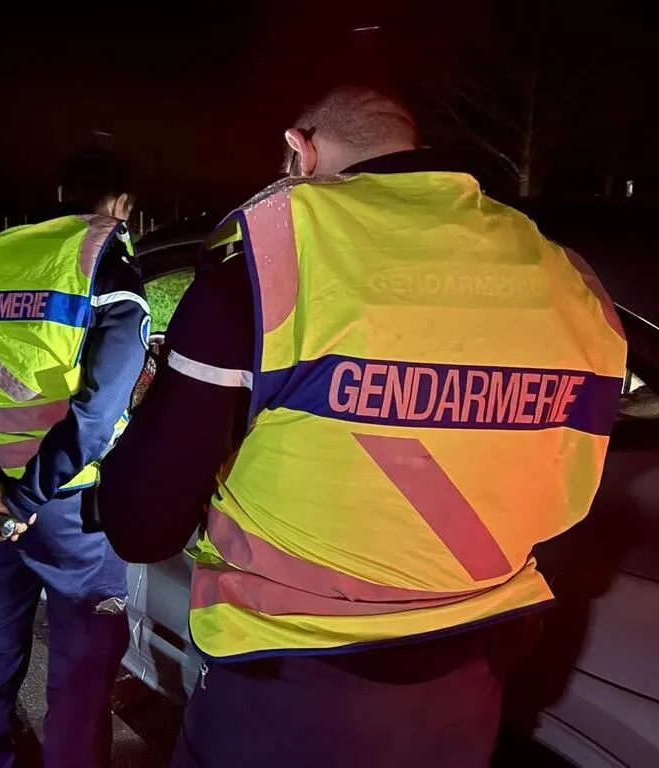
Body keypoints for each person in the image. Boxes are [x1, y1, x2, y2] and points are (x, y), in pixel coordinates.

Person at [96, 86, 628, 768]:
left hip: (291, 684)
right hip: (472, 675)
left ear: (300, 149)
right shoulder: (560, 270)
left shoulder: (272, 254)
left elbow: (143, 524)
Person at [0, 146, 148, 768]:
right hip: (71, 510)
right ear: (122, 204)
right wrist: (24, 499)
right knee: (81, 667)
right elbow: (97, 414)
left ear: (60, 195)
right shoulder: (107, 267)